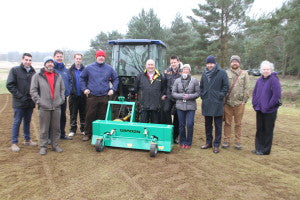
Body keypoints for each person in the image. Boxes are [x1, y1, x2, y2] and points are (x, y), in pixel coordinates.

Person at [80, 50, 119, 141]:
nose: (101, 57)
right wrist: (84, 89)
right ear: (96, 57)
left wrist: (113, 89)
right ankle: (87, 133)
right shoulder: (89, 68)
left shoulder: (109, 68)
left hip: (104, 96)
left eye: (102, 56)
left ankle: (100, 133)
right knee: (90, 115)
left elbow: (116, 79)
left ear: (104, 58)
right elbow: (82, 78)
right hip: (92, 96)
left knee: (102, 115)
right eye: (99, 56)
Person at [30, 57, 65, 155]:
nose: (50, 64)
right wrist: (39, 101)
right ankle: (43, 146)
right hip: (44, 106)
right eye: (48, 62)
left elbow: (63, 89)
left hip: (56, 106)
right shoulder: (37, 76)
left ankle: (55, 145)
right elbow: (33, 90)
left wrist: (61, 99)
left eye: (51, 62)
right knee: (44, 128)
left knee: (56, 128)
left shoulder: (58, 76)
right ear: (45, 64)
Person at [6, 53, 37, 152]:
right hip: (19, 102)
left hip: (29, 102)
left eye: (30, 60)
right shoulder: (15, 70)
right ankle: (14, 142)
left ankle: (27, 139)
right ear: (22, 60)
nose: (28, 62)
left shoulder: (33, 72)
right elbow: (10, 85)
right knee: (17, 121)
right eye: (26, 60)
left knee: (27, 121)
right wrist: (20, 96)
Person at [200, 56, 229, 153]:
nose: (210, 65)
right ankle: (208, 143)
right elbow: (201, 86)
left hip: (217, 102)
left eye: (211, 63)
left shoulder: (222, 73)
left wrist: (220, 95)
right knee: (207, 124)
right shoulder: (204, 73)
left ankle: (216, 144)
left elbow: (226, 86)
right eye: (208, 63)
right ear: (206, 64)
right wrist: (203, 95)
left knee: (218, 125)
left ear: (215, 63)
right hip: (207, 102)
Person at [252, 60, 281, 155]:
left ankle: (265, 150)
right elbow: (255, 92)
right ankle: (258, 148)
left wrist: (269, 106)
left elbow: (276, 95)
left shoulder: (274, 79)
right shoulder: (259, 80)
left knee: (267, 130)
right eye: (264, 69)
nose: (265, 71)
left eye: (267, 69)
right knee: (259, 129)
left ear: (271, 70)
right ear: (261, 70)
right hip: (259, 109)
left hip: (269, 111)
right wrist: (254, 103)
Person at [222, 55, 250, 150]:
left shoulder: (244, 73)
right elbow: (223, 86)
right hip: (228, 103)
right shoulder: (225, 73)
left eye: (236, 61)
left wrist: (244, 101)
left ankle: (238, 141)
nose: (235, 63)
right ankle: (226, 140)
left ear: (239, 63)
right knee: (227, 123)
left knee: (238, 124)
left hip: (239, 104)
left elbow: (247, 88)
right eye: (233, 61)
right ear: (230, 63)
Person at [172, 64, 200, 149]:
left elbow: (198, 93)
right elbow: (173, 93)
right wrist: (181, 96)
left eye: (187, 69)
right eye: (184, 69)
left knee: (190, 124)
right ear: (181, 71)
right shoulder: (177, 81)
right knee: (181, 124)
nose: (185, 71)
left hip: (191, 106)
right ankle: (182, 141)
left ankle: (189, 142)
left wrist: (189, 96)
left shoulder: (194, 81)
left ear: (189, 71)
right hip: (180, 106)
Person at [135, 59, 165, 123]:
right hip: (144, 106)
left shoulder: (160, 77)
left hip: (156, 106)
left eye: (152, 65)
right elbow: (136, 89)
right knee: (143, 125)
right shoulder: (140, 76)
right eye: (149, 65)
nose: (150, 66)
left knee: (155, 126)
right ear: (146, 66)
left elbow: (163, 89)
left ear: (154, 66)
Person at [53, 50, 72, 140]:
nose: (59, 58)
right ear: (54, 57)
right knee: (53, 116)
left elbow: (70, 81)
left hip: (63, 97)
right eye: (58, 56)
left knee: (63, 116)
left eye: (61, 56)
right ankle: (52, 136)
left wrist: (68, 91)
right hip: (53, 98)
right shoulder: (52, 69)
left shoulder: (65, 70)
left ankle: (62, 134)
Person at [162, 56, 182, 144]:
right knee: (166, 110)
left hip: (178, 97)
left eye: (175, 62)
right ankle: (170, 129)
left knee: (177, 115)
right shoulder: (167, 71)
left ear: (178, 62)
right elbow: (164, 84)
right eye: (172, 63)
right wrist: (163, 94)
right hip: (169, 95)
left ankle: (175, 136)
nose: (173, 64)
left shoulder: (182, 71)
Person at [68, 53, 86, 137]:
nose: (78, 60)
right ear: (74, 59)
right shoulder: (70, 70)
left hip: (83, 96)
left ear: (81, 60)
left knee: (83, 113)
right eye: (77, 59)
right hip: (73, 96)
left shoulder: (85, 70)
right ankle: (72, 129)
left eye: (79, 59)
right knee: (73, 113)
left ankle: (83, 129)